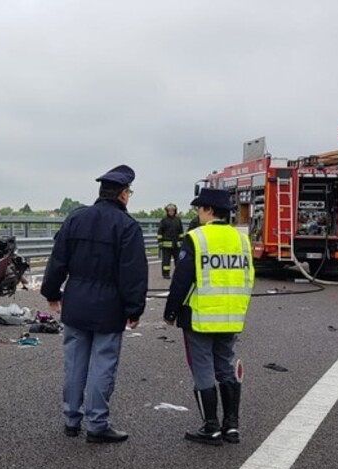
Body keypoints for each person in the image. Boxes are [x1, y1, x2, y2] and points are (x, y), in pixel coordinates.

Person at [41, 165, 148, 443]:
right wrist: (133, 309)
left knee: (75, 362)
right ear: (123, 194)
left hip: (76, 302)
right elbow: (133, 273)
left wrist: (51, 293)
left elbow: (57, 260)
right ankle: (97, 424)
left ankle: (71, 420)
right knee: (103, 364)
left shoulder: (76, 219)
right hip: (108, 308)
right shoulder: (128, 227)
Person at [164, 188, 255, 445]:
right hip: (231, 316)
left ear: (209, 210)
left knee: (203, 369)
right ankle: (232, 426)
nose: (198, 213)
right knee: (225, 367)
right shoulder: (241, 240)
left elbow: (182, 280)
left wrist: (171, 311)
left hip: (201, 316)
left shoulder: (197, 237)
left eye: (200, 209)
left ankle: (211, 426)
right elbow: (249, 277)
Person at [157, 203, 184, 279]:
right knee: (166, 262)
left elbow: (181, 232)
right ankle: (166, 274)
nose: (171, 212)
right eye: (169, 210)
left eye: (172, 210)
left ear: (175, 211)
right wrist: (160, 241)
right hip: (166, 245)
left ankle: (179, 274)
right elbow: (160, 232)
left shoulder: (178, 220)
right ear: (167, 211)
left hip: (177, 245)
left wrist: (182, 240)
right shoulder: (164, 220)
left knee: (178, 261)